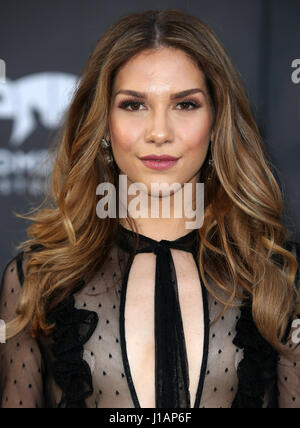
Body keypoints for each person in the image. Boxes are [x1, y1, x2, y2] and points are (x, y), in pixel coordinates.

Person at [0, 9, 300, 409]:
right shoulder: (36, 280)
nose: (159, 132)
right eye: (134, 105)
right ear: (104, 124)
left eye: (185, 105)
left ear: (216, 121)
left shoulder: (279, 276)